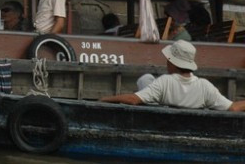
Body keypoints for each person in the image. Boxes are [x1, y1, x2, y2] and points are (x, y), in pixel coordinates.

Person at [100, 40, 245, 111]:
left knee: (146, 79)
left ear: (172, 62)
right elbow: (233, 108)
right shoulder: (204, 85)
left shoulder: (165, 82)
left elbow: (133, 100)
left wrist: (104, 99)